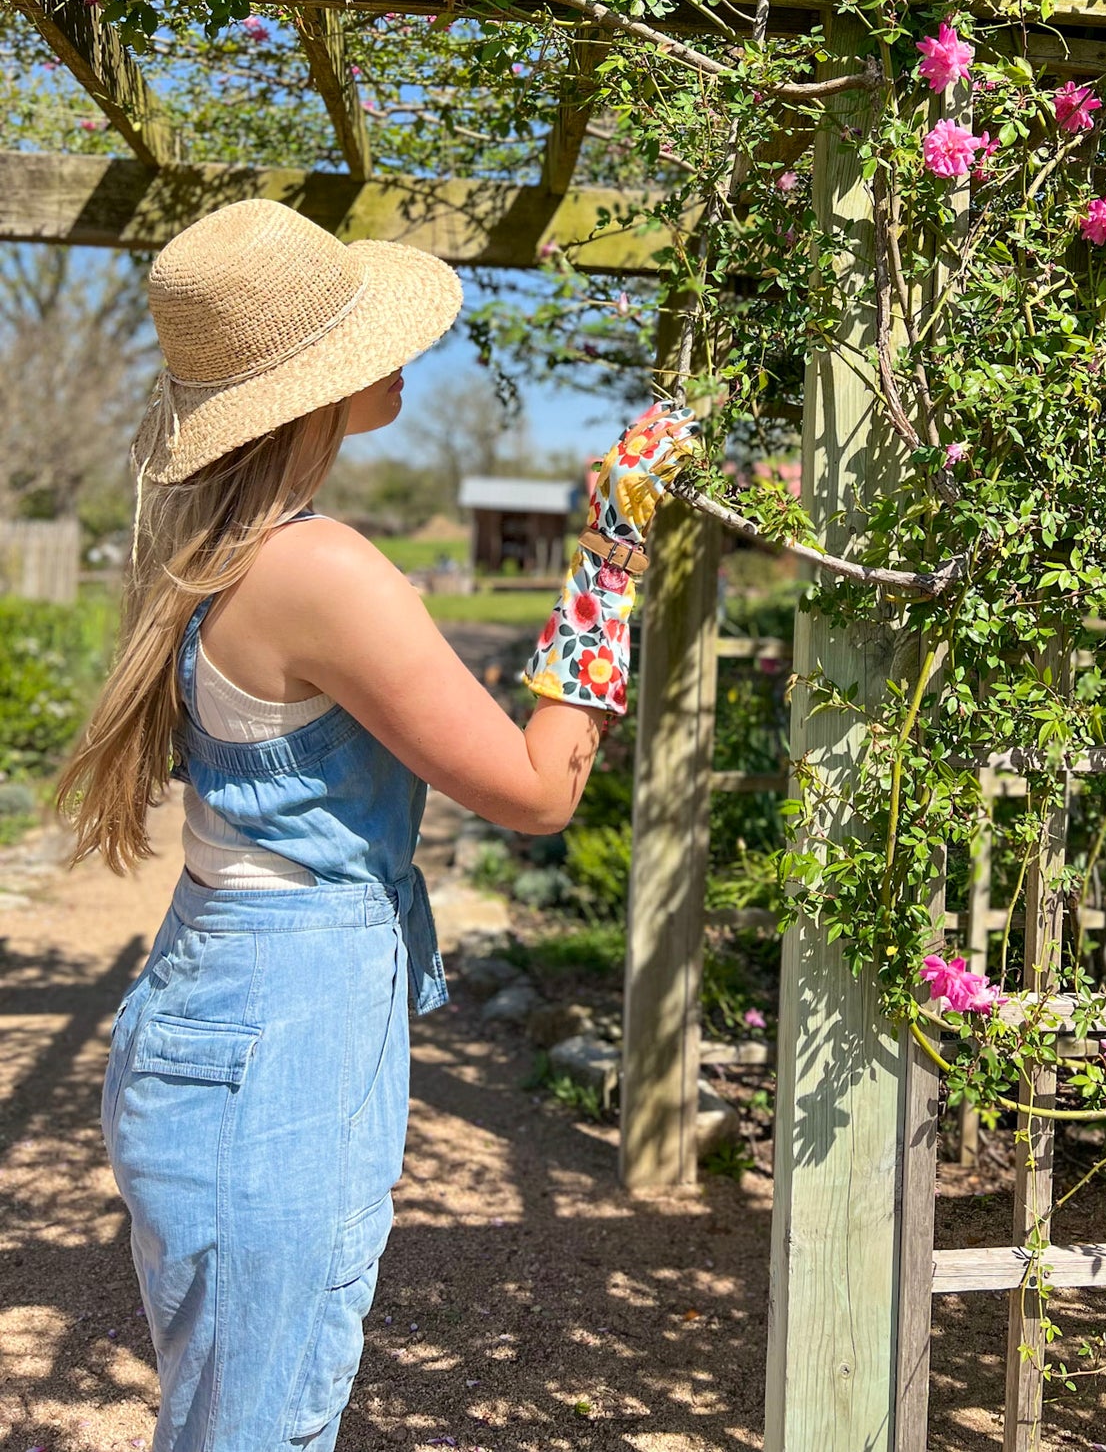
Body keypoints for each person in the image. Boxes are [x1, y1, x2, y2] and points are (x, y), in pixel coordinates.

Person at [58, 199, 697, 1452]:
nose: (398, 349)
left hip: (235, 998)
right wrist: (614, 548)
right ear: (312, 384)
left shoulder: (217, 544)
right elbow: (536, 787)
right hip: (280, 1029)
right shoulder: (322, 568)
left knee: (242, 1412)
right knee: (259, 1424)